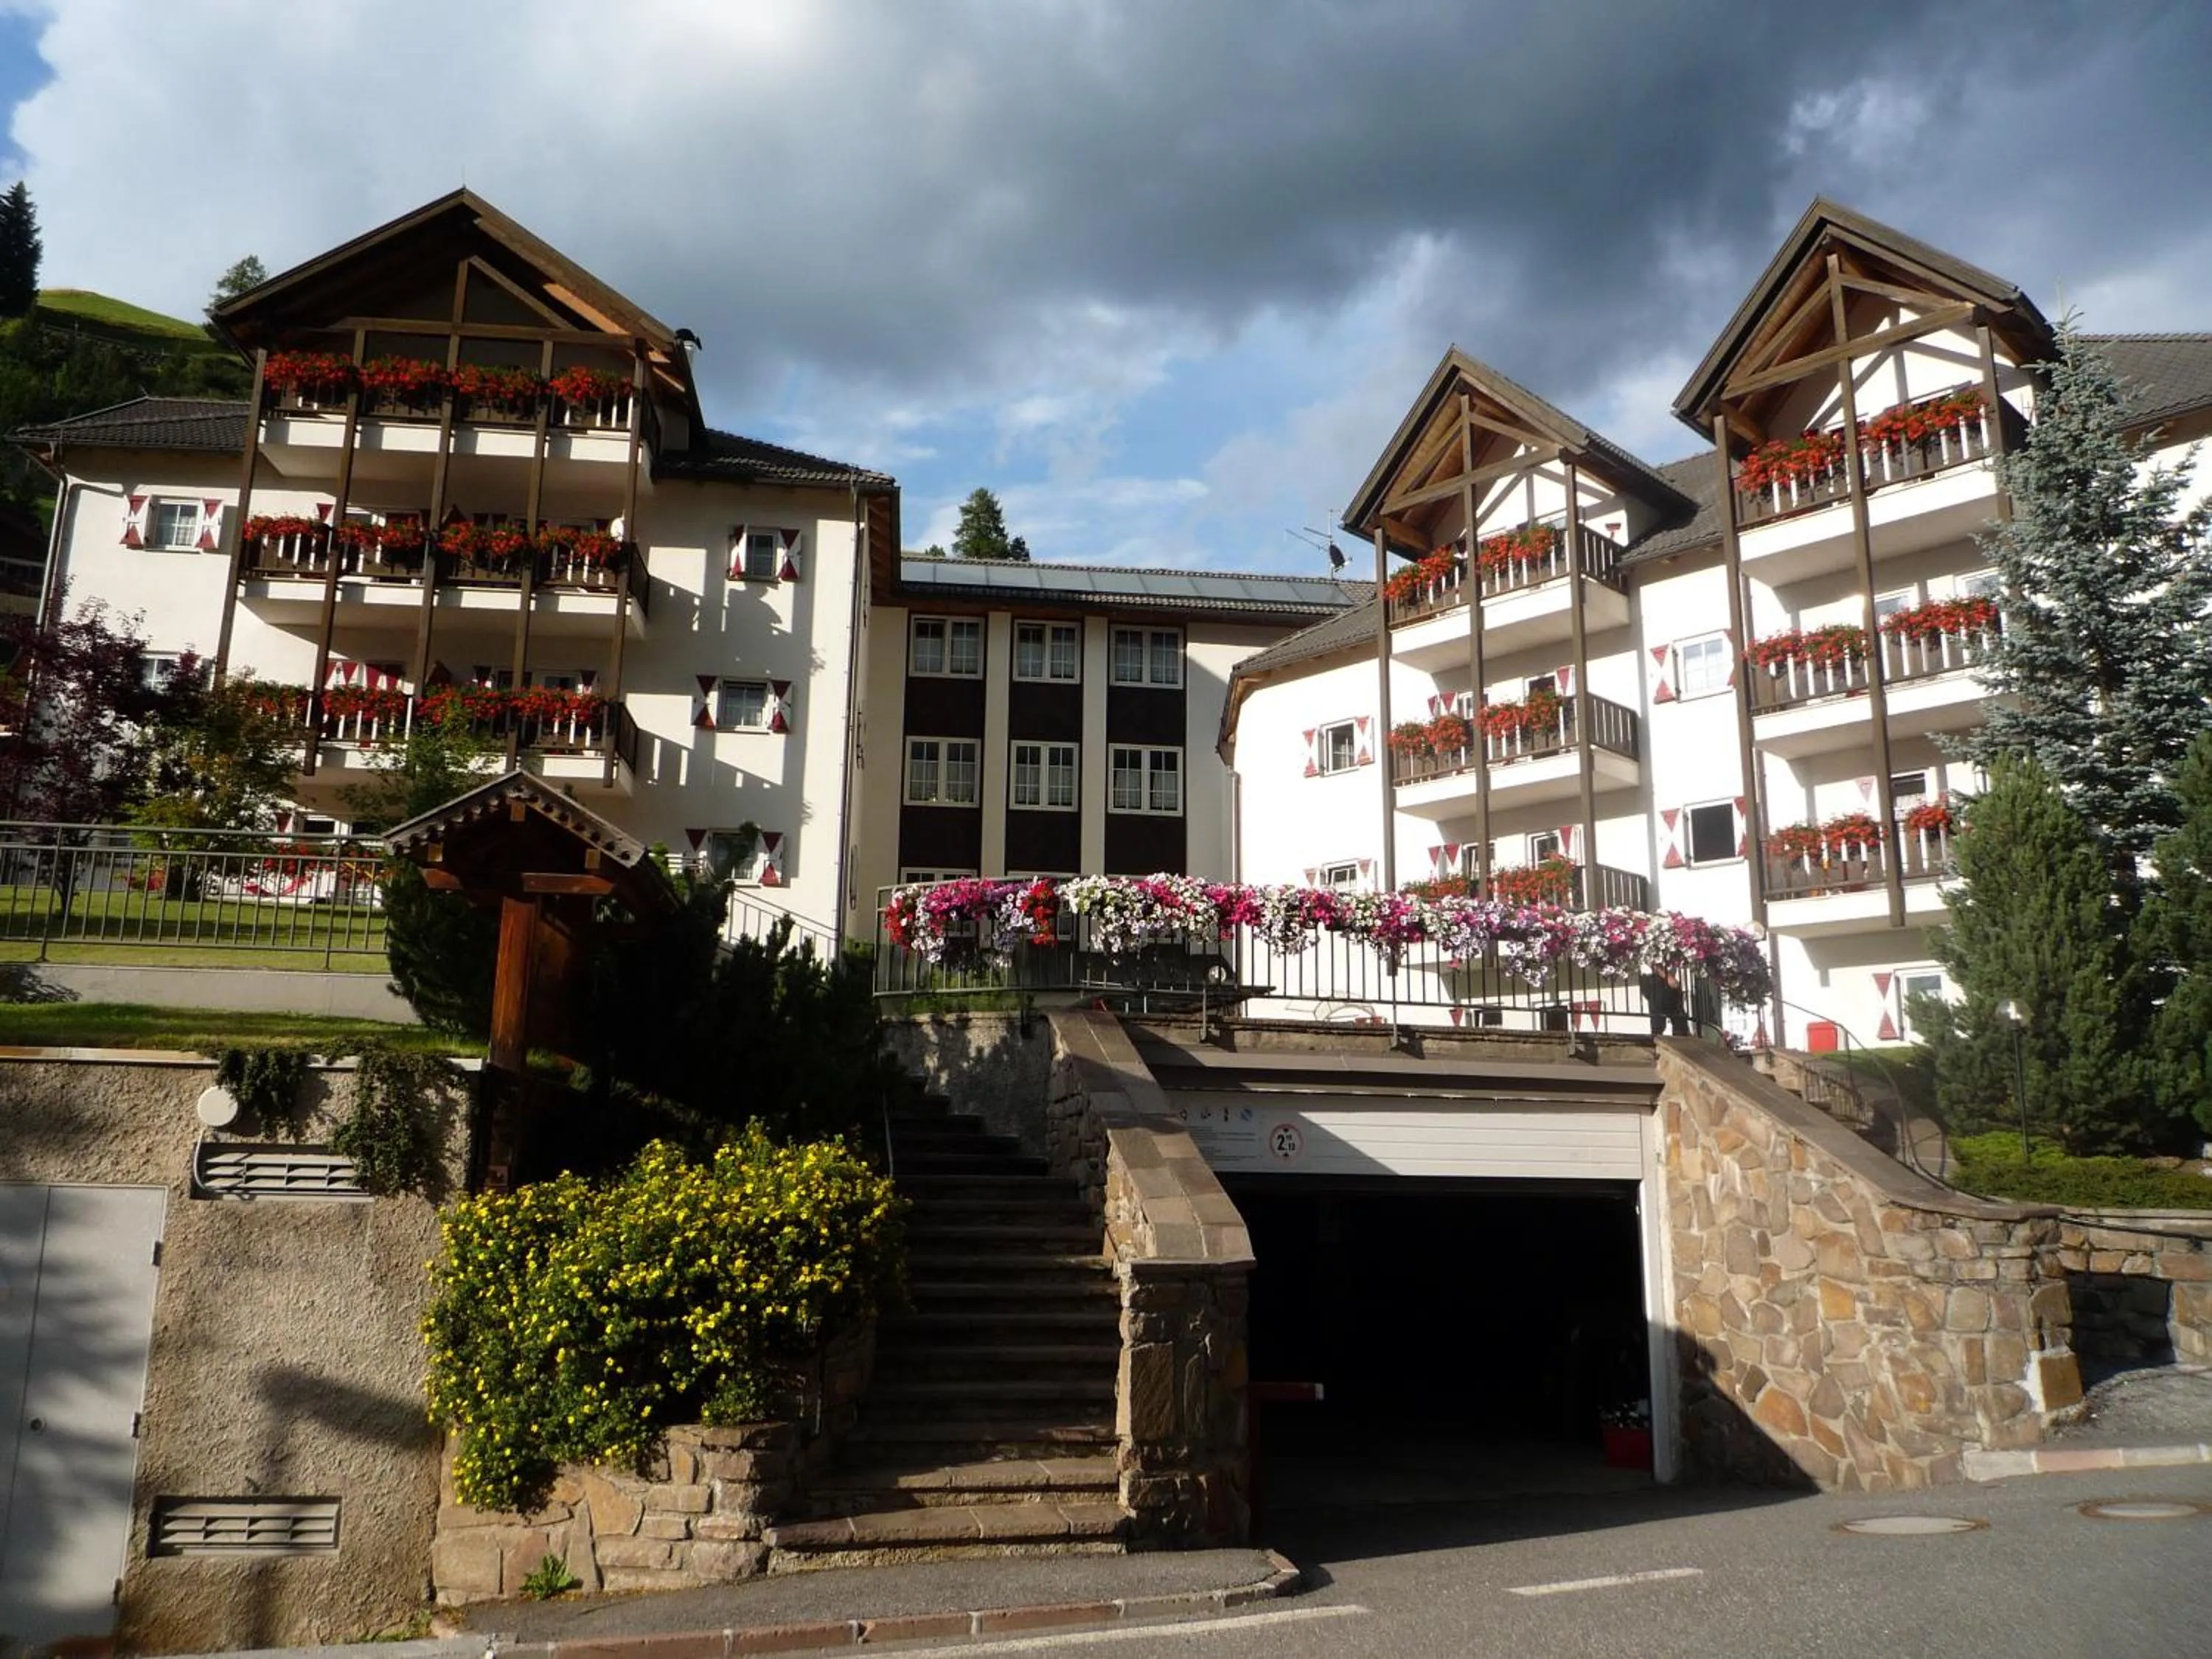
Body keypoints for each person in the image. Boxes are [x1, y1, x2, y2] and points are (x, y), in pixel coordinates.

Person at [1640, 964, 1691, 1037]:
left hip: (1666, 992)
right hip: (1655, 986)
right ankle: (1659, 1031)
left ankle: (1679, 1032)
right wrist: (1662, 972)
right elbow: (1674, 984)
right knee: (1659, 990)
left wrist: (1663, 973)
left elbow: (1674, 984)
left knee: (1676, 1013)